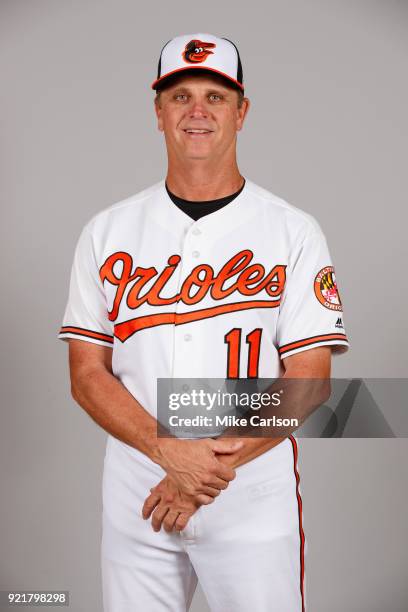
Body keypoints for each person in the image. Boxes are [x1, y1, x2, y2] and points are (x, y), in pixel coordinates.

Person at [58, 33, 349, 612]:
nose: (197, 110)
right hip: (137, 489)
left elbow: (311, 379)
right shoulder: (106, 231)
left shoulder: (293, 231)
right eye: (180, 95)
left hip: (250, 492)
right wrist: (169, 455)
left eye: (216, 97)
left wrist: (201, 471)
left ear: (241, 113)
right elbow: (87, 374)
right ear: (158, 112)